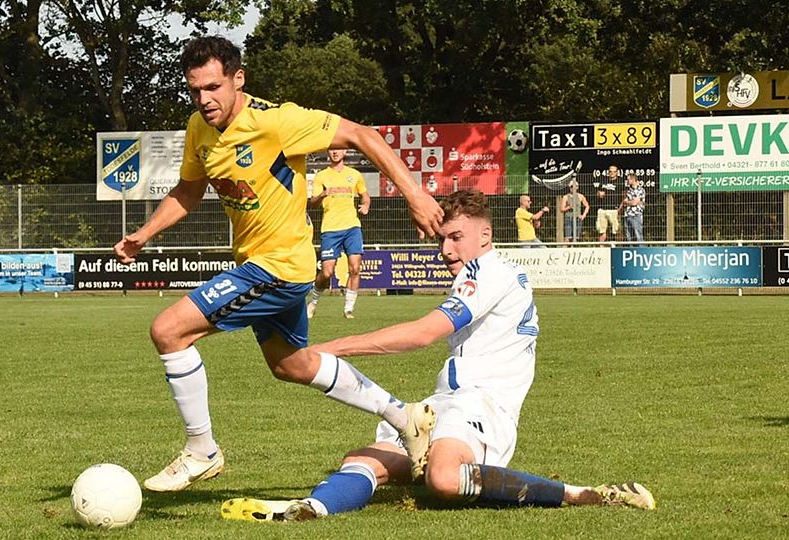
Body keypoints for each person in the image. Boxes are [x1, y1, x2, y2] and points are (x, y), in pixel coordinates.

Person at [113, 36, 443, 492]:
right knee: (292, 365)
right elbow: (188, 192)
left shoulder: (277, 120)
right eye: (195, 91)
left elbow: (363, 135)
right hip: (260, 263)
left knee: (169, 330)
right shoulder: (199, 128)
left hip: (280, 266)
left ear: (238, 79)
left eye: (213, 87)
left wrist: (415, 193)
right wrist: (144, 235)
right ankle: (402, 416)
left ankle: (201, 449)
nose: (204, 100)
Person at [220, 189, 656, 522]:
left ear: (485, 235)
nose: (446, 249)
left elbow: (423, 334)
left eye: (456, 238)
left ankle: (579, 493)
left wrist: (327, 349)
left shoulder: (490, 272)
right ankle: (310, 509)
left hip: (482, 406)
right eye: (442, 239)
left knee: (445, 480)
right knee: (361, 460)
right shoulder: (484, 272)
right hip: (443, 403)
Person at [306, 148, 370, 319]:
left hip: (352, 227)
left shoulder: (354, 174)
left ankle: (349, 309)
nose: (335, 152)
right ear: (328, 153)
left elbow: (365, 196)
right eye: (332, 150)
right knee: (327, 272)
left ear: (345, 152)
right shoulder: (321, 175)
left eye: (338, 149)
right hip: (330, 228)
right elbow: (312, 202)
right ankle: (313, 302)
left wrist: (365, 206)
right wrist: (322, 194)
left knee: (355, 268)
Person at [594, 165, 622, 242]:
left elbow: (624, 196)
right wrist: (599, 194)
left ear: (617, 172)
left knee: (616, 230)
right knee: (601, 231)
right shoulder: (603, 181)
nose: (612, 173)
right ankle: (601, 248)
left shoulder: (620, 182)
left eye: (614, 171)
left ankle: (617, 248)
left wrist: (620, 207)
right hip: (602, 209)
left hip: (613, 209)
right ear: (608, 172)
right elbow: (597, 192)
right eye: (610, 171)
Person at [623, 173, 646, 242]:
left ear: (633, 180)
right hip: (627, 214)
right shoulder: (628, 190)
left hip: (636, 215)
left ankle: (641, 250)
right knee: (628, 236)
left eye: (628, 179)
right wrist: (630, 202)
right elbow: (624, 202)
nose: (627, 181)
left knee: (638, 234)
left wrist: (629, 202)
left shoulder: (640, 190)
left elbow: (634, 202)